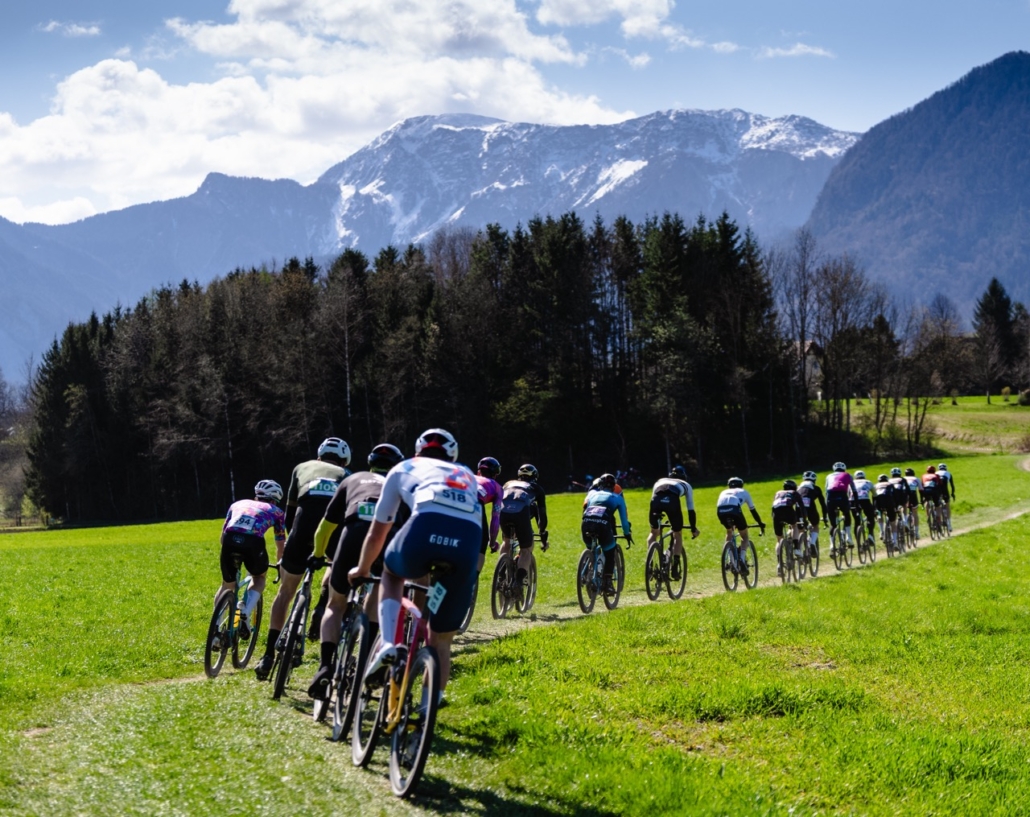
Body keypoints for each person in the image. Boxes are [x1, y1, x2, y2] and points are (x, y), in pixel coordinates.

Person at [348, 428, 485, 699]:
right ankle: (428, 707)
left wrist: (362, 569)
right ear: (453, 453)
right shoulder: (467, 473)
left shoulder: (403, 467)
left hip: (425, 529)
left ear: (418, 450)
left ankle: (388, 644)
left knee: (391, 572)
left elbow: (378, 532)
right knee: (441, 640)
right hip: (466, 543)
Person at [306, 443, 404, 699]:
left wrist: (318, 556)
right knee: (376, 596)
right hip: (385, 539)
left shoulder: (352, 479)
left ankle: (325, 666)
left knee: (335, 605)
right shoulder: (400, 488)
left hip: (353, 535)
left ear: (369, 462)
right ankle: (364, 663)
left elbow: (323, 530)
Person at [255, 437, 350, 681]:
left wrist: (295, 541)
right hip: (332, 529)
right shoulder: (346, 474)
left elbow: (289, 513)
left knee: (285, 592)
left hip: (302, 528)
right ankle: (322, 603)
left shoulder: (301, 467)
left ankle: (267, 654)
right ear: (343, 460)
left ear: (319, 456)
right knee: (333, 559)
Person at [218, 480, 286, 639]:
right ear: (275, 499)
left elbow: (222, 536)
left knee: (227, 585)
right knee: (259, 577)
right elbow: (280, 544)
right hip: (253, 542)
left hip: (229, 541)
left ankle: (215, 630)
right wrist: (280, 565)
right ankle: (246, 611)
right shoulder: (277, 512)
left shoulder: (237, 504)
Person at [581, 473, 632, 593]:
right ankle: (608, 583)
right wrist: (627, 533)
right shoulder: (618, 497)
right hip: (603, 524)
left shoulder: (592, 493)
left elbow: (585, 508)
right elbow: (624, 522)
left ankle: (586, 568)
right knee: (610, 552)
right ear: (614, 487)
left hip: (586, 523)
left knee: (591, 548)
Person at [499, 464, 550, 585]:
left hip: (503, 513)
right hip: (520, 514)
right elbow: (542, 516)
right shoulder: (537, 488)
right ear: (535, 476)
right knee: (526, 549)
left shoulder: (507, 484)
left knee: (507, 541)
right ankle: (519, 582)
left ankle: (500, 573)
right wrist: (542, 534)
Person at [646, 465, 699, 579]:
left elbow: (653, 500)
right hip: (672, 501)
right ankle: (675, 568)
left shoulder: (659, 481)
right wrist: (693, 528)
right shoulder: (686, 485)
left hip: (656, 501)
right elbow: (691, 510)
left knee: (654, 532)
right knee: (677, 533)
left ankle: (649, 565)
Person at [716, 477, 765, 574]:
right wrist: (760, 523)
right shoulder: (744, 492)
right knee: (744, 535)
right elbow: (753, 510)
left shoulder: (723, 492)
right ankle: (742, 558)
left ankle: (730, 560)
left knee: (729, 531)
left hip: (720, 510)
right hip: (734, 509)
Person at [771, 478, 804, 577]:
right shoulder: (795, 492)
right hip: (788, 510)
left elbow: (773, 508)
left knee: (779, 539)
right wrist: (803, 520)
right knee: (794, 526)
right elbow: (801, 507)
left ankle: (779, 564)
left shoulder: (778, 493)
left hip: (776, 514)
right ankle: (796, 548)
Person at [824, 462, 856, 554]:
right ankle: (848, 537)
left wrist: (827, 506)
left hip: (830, 498)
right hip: (842, 497)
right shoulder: (848, 475)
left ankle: (832, 545)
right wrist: (856, 503)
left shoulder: (828, 476)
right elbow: (853, 490)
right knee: (847, 514)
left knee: (833, 524)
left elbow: (826, 490)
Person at [796, 471, 827, 558]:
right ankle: (812, 542)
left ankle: (797, 548)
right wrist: (825, 517)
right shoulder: (816, 488)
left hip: (798, 507)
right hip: (810, 507)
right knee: (815, 525)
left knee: (799, 528)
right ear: (814, 480)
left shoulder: (798, 488)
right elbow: (823, 504)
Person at [873, 473, 899, 549]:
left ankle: (881, 531)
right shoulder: (890, 484)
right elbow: (895, 496)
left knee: (879, 514)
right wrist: (897, 507)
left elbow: (874, 498)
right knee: (893, 523)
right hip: (889, 501)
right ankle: (895, 542)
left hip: (879, 502)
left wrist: (875, 509)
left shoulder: (876, 485)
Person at [851, 470, 876, 546]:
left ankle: (858, 544)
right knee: (870, 517)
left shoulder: (851, 482)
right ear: (864, 476)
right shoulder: (868, 482)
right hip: (865, 500)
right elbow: (875, 495)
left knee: (857, 521)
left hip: (852, 501)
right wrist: (874, 508)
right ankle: (870, 535)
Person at [921, 465, 943, 530]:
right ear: (934, 471)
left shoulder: (923, 476)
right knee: (937, 505)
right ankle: (938, 519)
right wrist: (940, 494)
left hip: (926, 491)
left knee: (927, 501)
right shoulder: (936, 476)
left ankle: (928, 515)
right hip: (934, 491)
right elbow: (940, 485)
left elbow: (922, 485)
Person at [902, 467, 922, 540]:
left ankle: (904, 525)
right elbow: (921, 490)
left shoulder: (902, 479)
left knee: (904, 511)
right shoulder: (916, 479)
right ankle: (916, 533)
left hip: (904, 495)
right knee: (915, 514)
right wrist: (922, 500)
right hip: (913, 495)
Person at [937, 463, 956, 532]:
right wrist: (952, 494)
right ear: (946, 468)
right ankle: (949, 525)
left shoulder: (936, 473)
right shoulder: (948, 473)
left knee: (937, 505)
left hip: (937, 490)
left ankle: (937, 521)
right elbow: (952, 485)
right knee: (947, 505)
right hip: (945, 489)